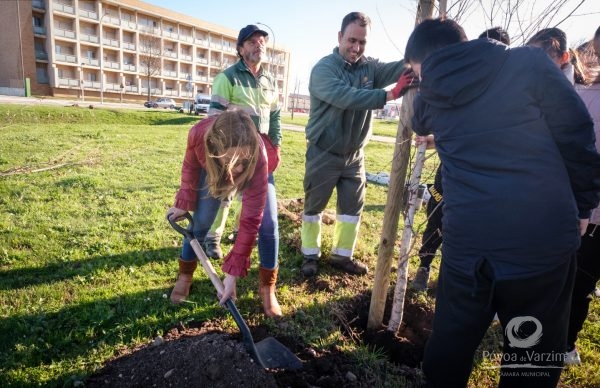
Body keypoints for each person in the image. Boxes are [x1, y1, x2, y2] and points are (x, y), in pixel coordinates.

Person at [405, 18, 600, 387]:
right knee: (531, 358)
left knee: (451, 346)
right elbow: (576, 135)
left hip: (468, 245)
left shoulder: (431, 93)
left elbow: (417, 121)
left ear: (420, 64)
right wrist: (583, 206)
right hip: (540, 240)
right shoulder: (529, 63)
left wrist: (419, 80)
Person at [300, 11, 417, 277]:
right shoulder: (324, 69)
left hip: (354, 156)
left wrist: (420, 50)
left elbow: (401, 66)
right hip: (323, 152)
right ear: (340, 37)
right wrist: (389, 94)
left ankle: (342, 256)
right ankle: (310, 256)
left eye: (362, 42)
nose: (356, 47)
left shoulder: (370, 68)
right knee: (314, 207)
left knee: (352, 209)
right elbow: (346, 96)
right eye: (352, 40)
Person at [412, 27, 511, 292]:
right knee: (435, 217)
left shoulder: (506, 91)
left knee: (464, 236)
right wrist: (436, 139)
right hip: (446, 178)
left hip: (482, 187)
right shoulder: (462, 83)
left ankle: (455, 279)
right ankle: (424, 266)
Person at [166, 109, 282, 318]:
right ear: (216, 148)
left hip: (257, 171)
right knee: (200, 223)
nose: (237, 169)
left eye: (242, 160)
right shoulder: (199, 136)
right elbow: (190, 168)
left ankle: (268, 288)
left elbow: (250, 220)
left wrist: (233, 273)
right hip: (213, 170)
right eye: (232, 160)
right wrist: (184, 201)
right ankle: (185, 276)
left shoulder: (257, 155)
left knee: (268, 225)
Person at [201, 24, 283, 317]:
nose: (258, 45)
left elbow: (274, 117)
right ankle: (212, 239)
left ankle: (267, 288)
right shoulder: (227, 78)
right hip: (233, 156)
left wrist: (276, 145)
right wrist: (223, 158)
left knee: (269, 224)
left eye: (262, 40)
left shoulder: (270, 82)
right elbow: (214, 120)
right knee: (220, 201)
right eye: (251, 41)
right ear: (240, 48)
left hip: (260, 160)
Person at [565, 28, 600, 366]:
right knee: (562, 274)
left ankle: (566, 340)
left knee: (583, 283)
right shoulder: (580, 95)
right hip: (573, 207)